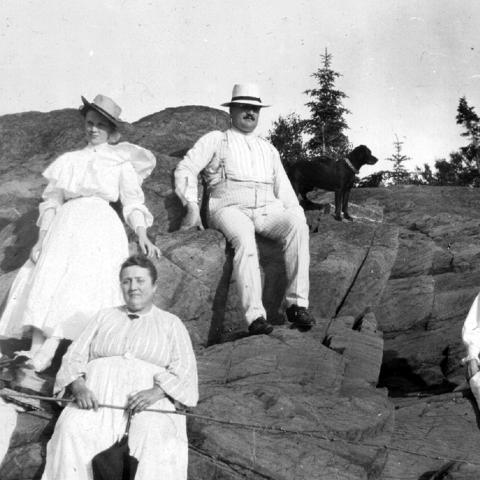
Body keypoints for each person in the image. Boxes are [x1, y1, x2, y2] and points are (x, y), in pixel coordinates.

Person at [0, 94, 160, 372]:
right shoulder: (70, 160)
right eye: (89, 123)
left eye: (100, 125)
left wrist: (142, 234)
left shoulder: (120, 162)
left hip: (100, 225)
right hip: (66, 223)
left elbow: (133, 203)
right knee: (48, 278)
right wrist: (40, 240)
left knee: (82, 285)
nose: (93, 129)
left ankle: (52, 353)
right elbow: (51, 202)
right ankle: (35, 351)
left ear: (111, 131)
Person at [174, 83, 315, 336]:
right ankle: (255, 318)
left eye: (255, 109)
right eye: (244, 108)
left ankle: (297, 305)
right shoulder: (217, 139)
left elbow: (284, 190)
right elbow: (186, 168)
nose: (250, 113)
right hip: (229, 205)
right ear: (232, 110)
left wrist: (297, 215)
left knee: (297, 227)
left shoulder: (268, 149)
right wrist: (191, 206)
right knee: (244, 240)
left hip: (267, 208)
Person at [41, 255, 198, 480]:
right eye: (126, 281)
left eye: (140, 281)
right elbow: (74, 356)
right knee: (71, 430)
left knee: (156, 439)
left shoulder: (171, 323)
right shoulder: (104, 316)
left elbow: (185, 369)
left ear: (154, 286)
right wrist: (79, 387)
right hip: (97, 397)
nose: (133, 287)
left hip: (148, 402)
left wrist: (157, 391)